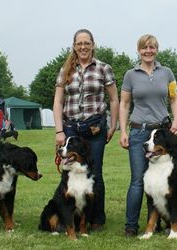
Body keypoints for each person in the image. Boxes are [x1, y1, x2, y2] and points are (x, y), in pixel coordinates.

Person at [53, 28, 119, 231]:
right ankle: (70, 217)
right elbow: (57, 101)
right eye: (79, 43)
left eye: (87, 43)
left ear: (93, 45)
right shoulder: (65, 71)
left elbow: (114, 99)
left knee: (95, 174)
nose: (83, 47)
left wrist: (113, 125)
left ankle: (96, 219)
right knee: (69, 174)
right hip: (70, 128)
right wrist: (59, 131)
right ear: (74, 46)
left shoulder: (103, 68)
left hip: (95, 129)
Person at [119, 34, 177, 237]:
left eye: (152, 47)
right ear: (138, 50)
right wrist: (123, 131)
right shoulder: (130, 74)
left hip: (162, 133)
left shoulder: (167, 72)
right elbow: (125, 104)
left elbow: (174, 99)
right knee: (138, 180)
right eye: (144, 48)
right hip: (139, 132)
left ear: (156, 49)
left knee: (162, 180)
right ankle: (131, 225)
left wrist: (176, 122)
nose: (148, 51)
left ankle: (156, 223)